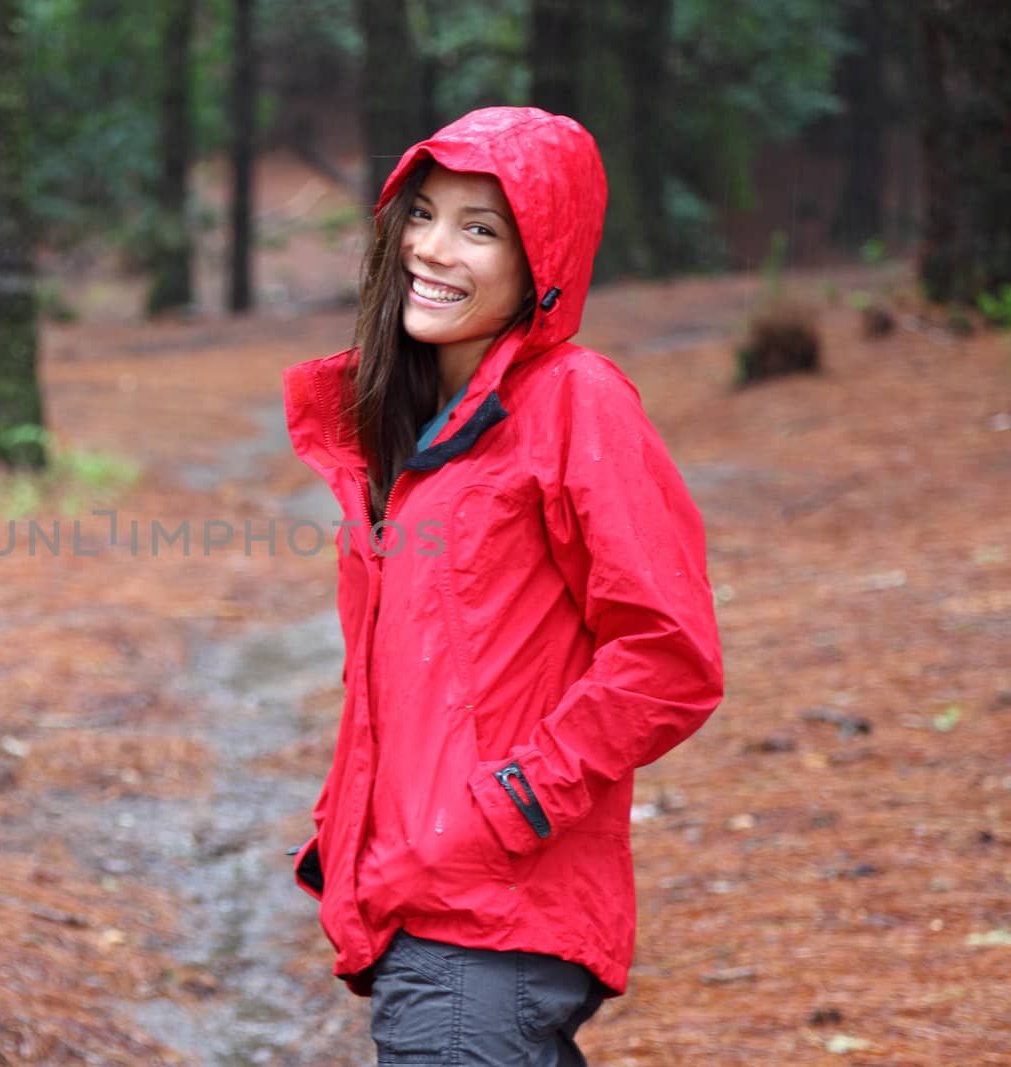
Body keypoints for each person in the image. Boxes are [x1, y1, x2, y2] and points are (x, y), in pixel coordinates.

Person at [282, 106, 725, 1064]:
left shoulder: (575, 401)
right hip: (427, 907)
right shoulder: (417, 432)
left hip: (493, 919)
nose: (433, 248)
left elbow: (670, 655)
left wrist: (511, 802)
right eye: (425, 213)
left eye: (481, 229)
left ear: (543, 262)